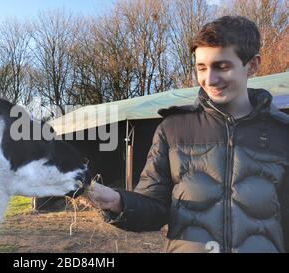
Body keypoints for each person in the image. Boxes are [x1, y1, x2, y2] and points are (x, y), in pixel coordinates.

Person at [87, 16, 289, 253]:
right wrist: (114, 200)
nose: (210, 79)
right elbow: (153, 208)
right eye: (201, 68)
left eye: (222, 66)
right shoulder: (173, 129)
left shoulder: (282, 132)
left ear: (252, 65)